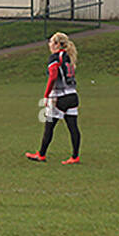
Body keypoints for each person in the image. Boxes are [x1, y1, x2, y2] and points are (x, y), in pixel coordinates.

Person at [26, 32, 81, 164]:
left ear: (57, 44)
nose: (49, 44)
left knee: (49, 126)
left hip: (59, 97)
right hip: (73, 96)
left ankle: (41, 154)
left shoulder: (55, 58)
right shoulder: (69, 56)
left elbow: (53, 76)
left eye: (51, 41)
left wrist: (46, 96)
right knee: (73, 127)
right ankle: (75, 156)